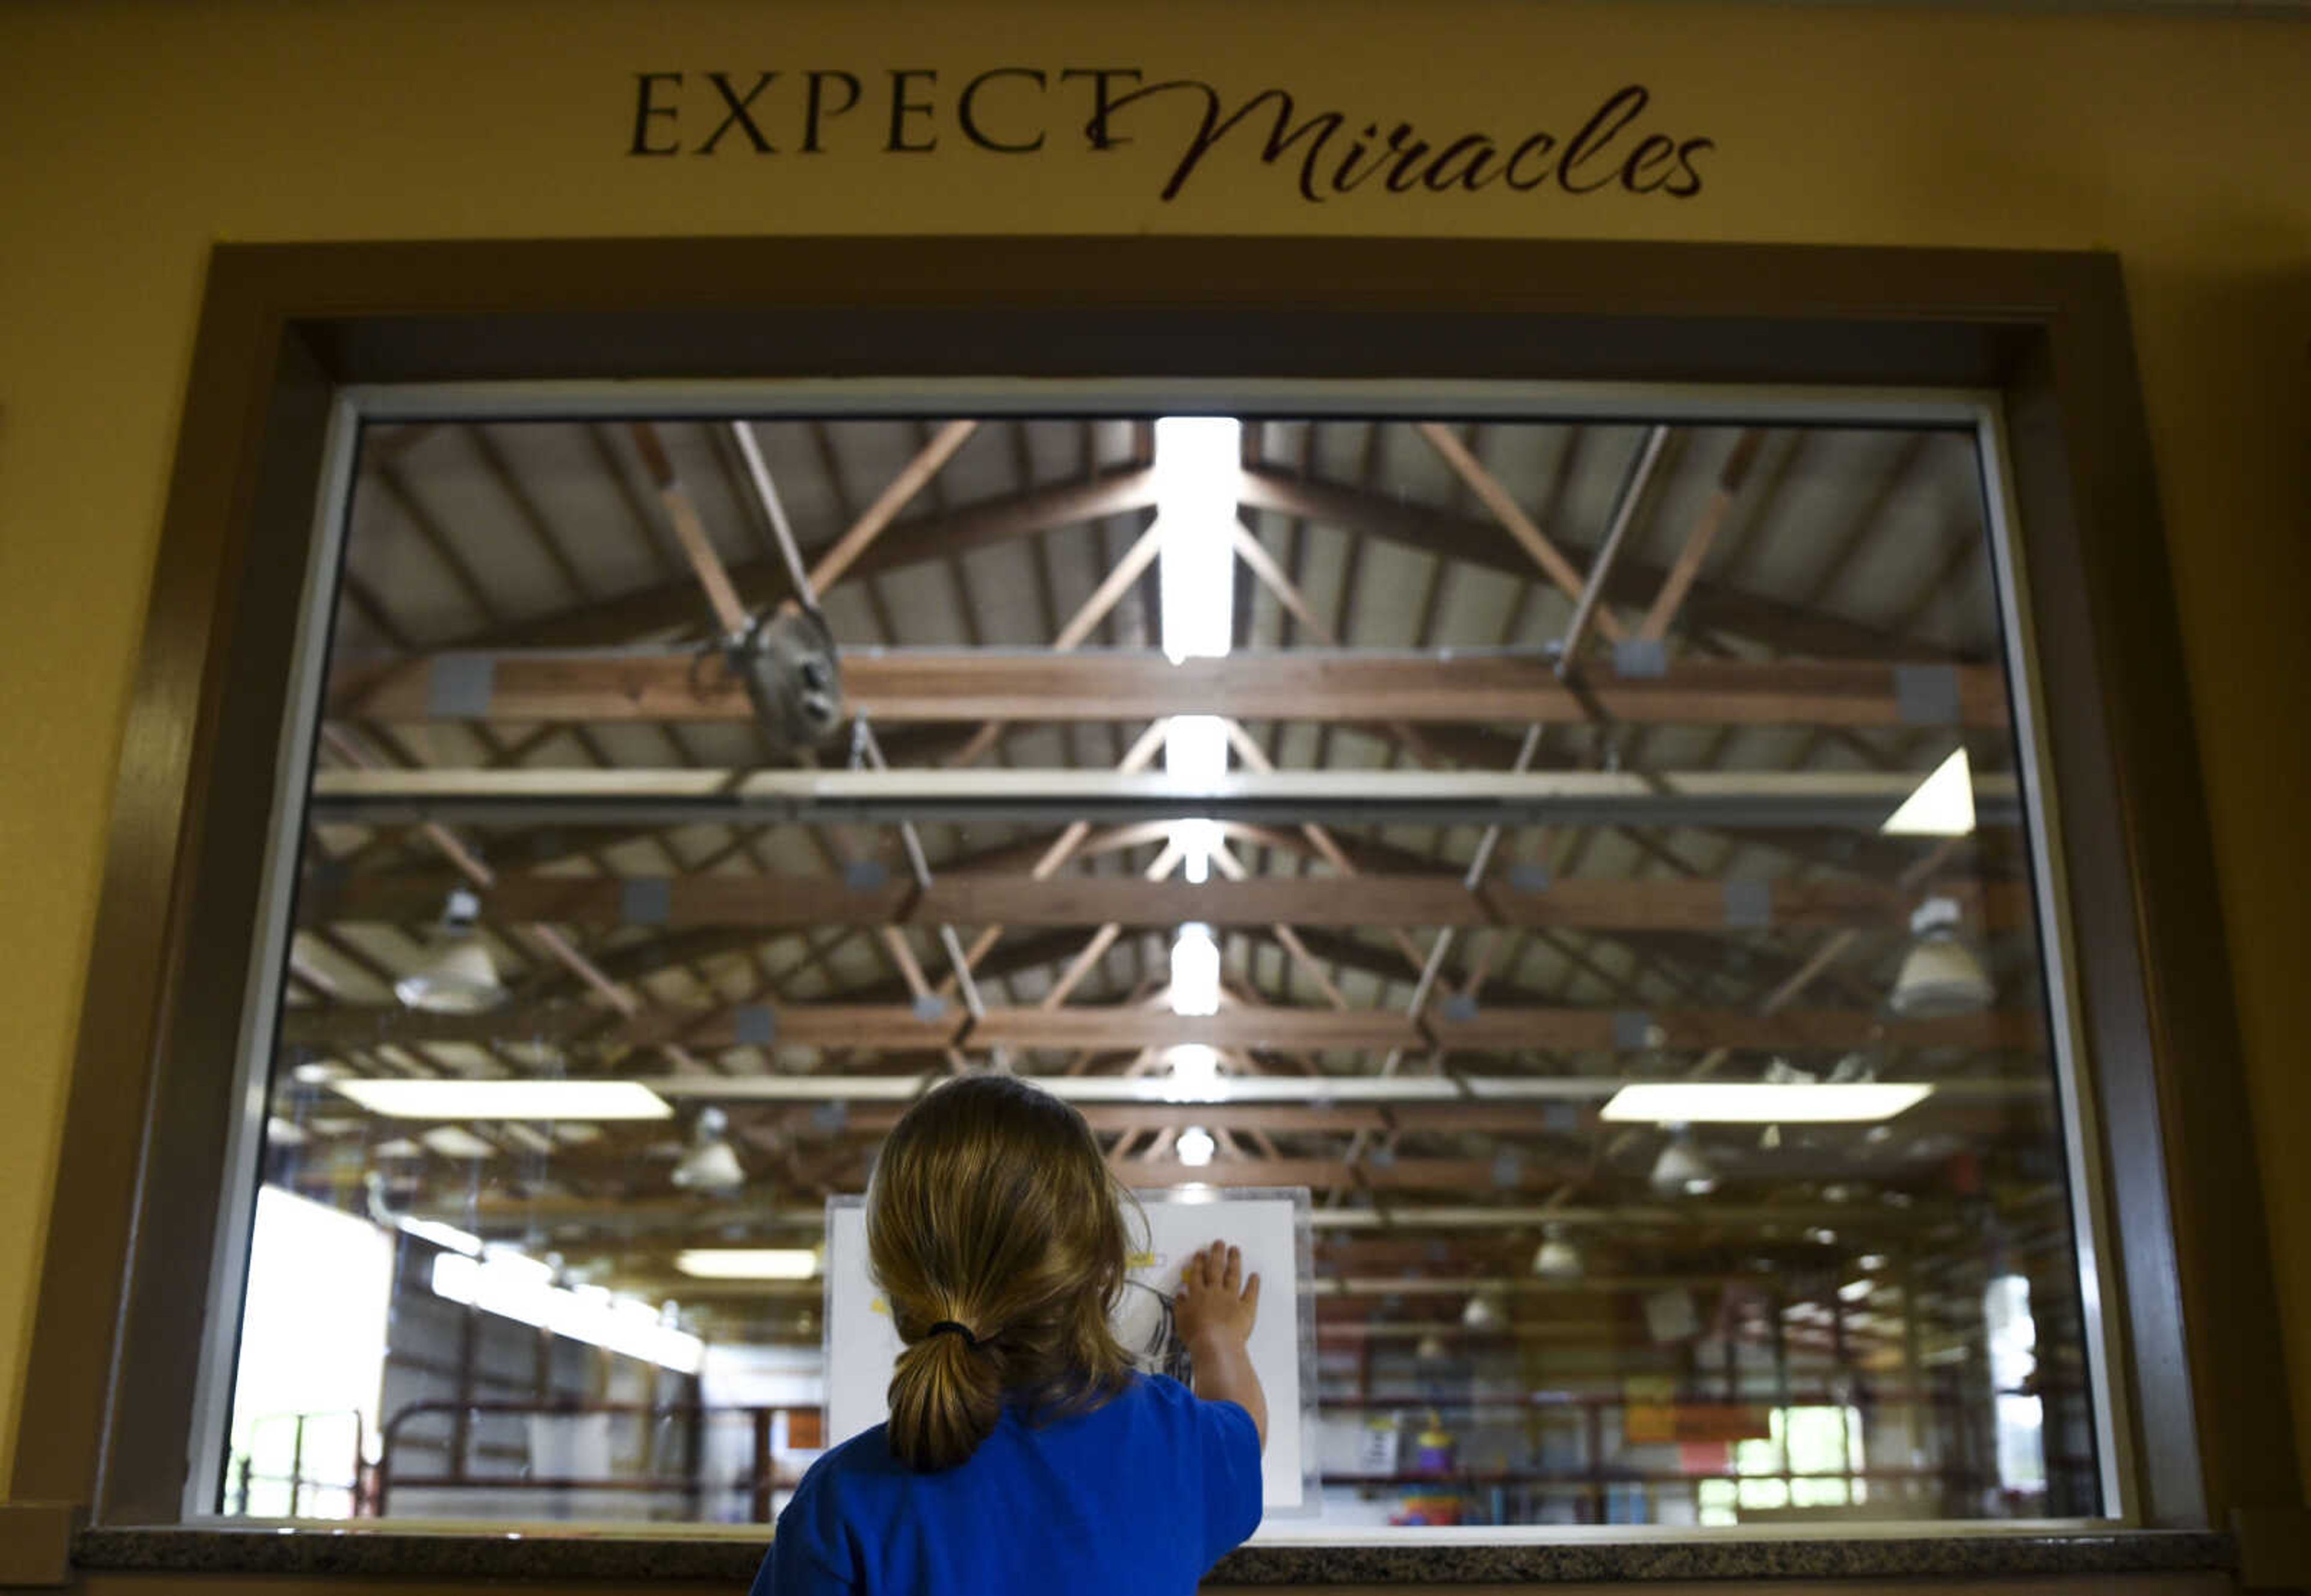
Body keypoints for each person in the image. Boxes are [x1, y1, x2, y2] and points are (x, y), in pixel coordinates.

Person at [753, 1074, 1267, 1595]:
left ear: (895, 1274)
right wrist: (1218, 1338)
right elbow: (1246, 1431)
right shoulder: (1172, 1442)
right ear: (1103, 1264)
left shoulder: (841, 1502)